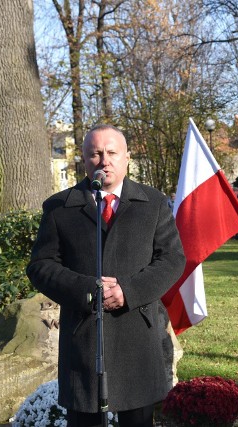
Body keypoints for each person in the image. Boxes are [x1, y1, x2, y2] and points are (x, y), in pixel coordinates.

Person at [27, 124, 186, 427]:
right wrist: (87, 289)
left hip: (136, 335)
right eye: (95, 154)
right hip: (84, 337)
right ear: (84, 161)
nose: (104, 160)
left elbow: (172, 258)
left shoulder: (153, 204)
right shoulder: (60, 207)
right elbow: (41, 265)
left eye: (112, 152)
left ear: (127, 157)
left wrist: (128, 291)